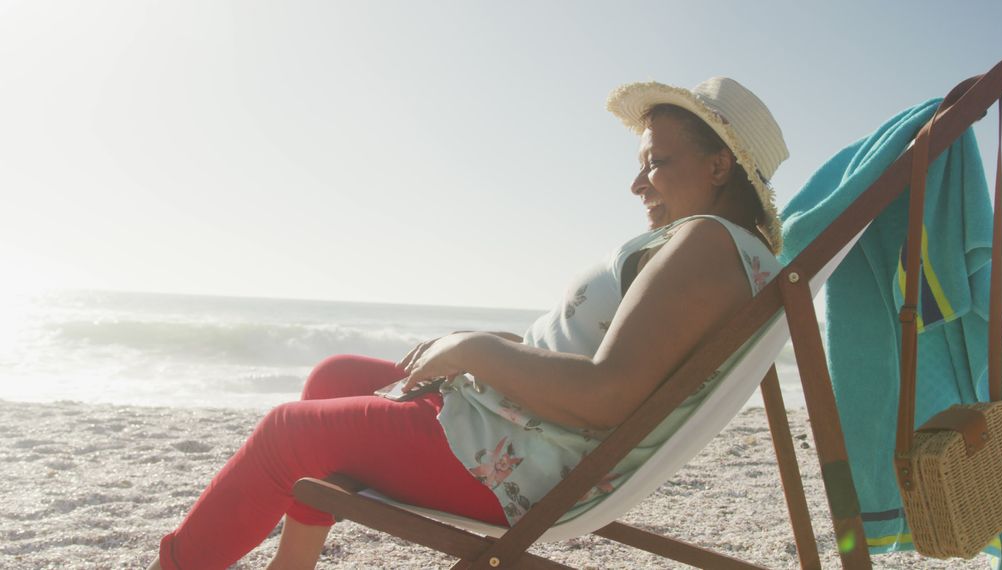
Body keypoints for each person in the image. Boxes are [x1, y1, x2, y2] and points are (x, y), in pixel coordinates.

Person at [148, 75, 789, 570]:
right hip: (520, 425)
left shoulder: (706, 243)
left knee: (287, 434)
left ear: (719, 165)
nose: (636, 183)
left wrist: (475, 348)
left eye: (655, 162)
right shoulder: (726, 250)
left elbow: (605, 397)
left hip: (520, 460)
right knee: (334, 374)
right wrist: (500, 351)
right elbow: (619, 365)